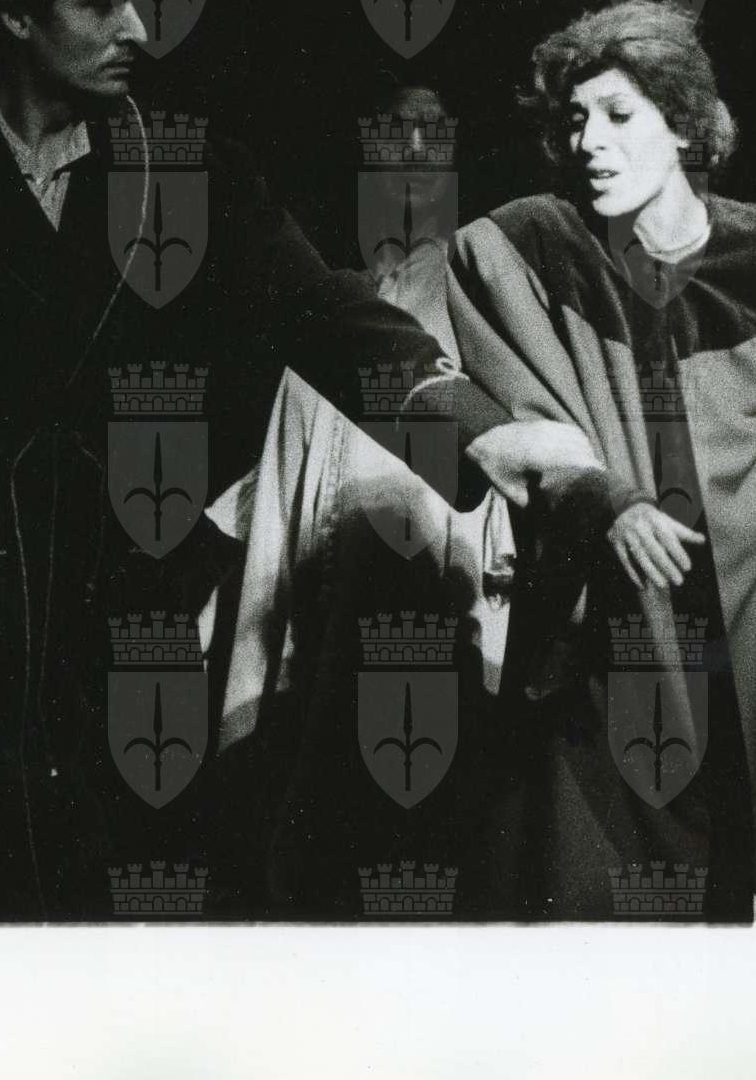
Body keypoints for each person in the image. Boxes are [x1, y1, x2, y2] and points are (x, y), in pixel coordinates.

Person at [0, 0, 586, 918]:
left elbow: (328, 314)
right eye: (100, 4)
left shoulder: (189, 173)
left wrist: (477, 434)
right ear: (16, 13)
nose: (138, 29)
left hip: (110, 649)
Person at [442, 0, 756, 920]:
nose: (589, 141)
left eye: (618, 114)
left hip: (755, 622)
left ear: (682, 125)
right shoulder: (527, 253)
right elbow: (531, 432)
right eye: (575, 118)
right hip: (608, 627)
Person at [197, 78, 521, 914]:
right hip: (330, 618)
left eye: (431, 132)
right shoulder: (330, 307)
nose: (411, 151)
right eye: (392, 132)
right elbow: (279, 483)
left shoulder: (484, 296)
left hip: (442, 605)